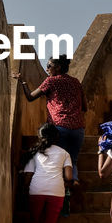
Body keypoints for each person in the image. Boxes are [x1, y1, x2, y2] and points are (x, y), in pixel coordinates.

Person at [13, 55, 87, 188]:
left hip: (59, 127)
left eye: (49, 66)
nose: (47, 69)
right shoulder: (76, 82)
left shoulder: (51, 81)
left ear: (57, 68)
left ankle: (61, 187)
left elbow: (30, 97)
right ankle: (74, 180)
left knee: (57, 160)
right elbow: (85, 107)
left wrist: (22, 82)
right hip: (78, 128)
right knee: (72, 159)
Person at [20, 123, 72, 223]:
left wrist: (23, 191)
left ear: (40, 136)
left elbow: (28, 176)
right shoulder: (64, 153)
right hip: (56, 191)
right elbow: (69, 177)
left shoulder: (35, 153)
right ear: (56, 137)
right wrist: (67, 183)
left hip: (36, 190)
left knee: (35, 221)